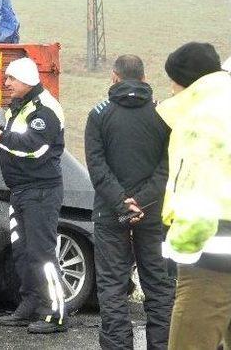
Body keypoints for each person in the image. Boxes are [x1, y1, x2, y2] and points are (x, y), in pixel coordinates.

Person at [84, 55, 174, 349]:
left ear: (114, 77)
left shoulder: (98, 115)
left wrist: (122, 203)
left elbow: (96, 167)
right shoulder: (164, 114)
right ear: (144, 79)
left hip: (110, 214)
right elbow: (167, 165)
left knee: (112, 285)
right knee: (159, 286)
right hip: (153, 214)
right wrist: (143, 202)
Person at [0, 57, 67, 334]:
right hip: (20, 190)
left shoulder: (45, 110)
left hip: (41, 191)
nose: (6, 84)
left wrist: (1, 138)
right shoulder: (22, 107)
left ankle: (55, 314)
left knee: (42, 253)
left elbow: (35, 148)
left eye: (10, 79)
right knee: (23, 253)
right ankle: (29, 304)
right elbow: (18, 139)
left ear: (25, 80)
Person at [156, 42, 231, 349]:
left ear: (183, 81)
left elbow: (198, 185)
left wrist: (182, 249)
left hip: (211, 260)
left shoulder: (204, 113)